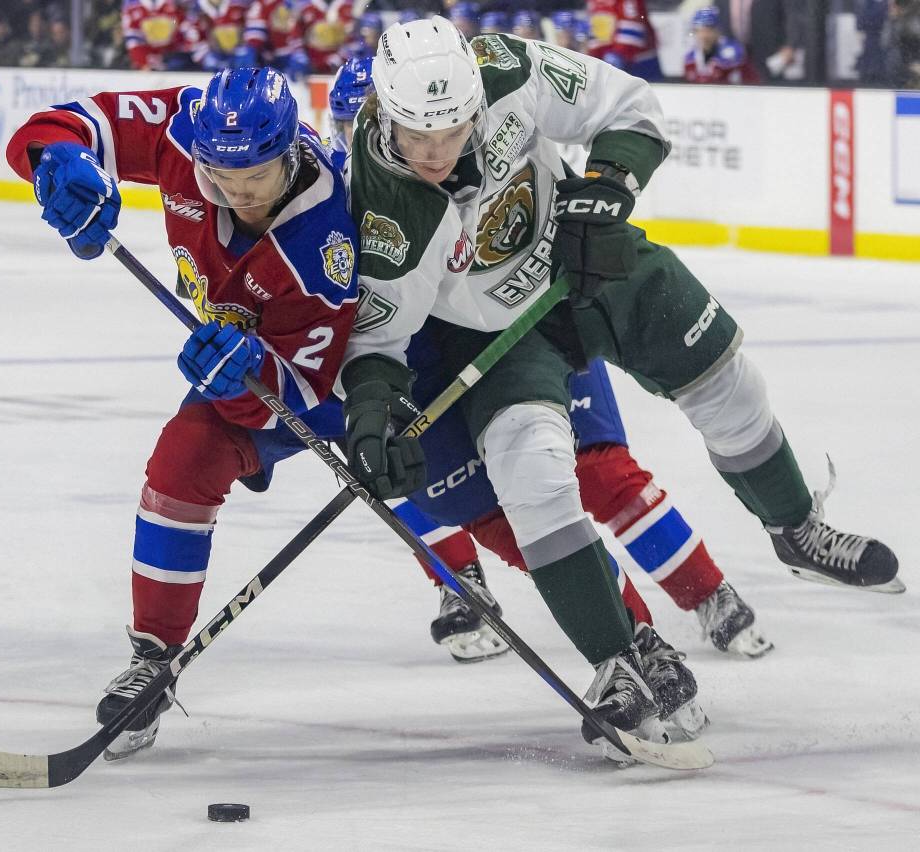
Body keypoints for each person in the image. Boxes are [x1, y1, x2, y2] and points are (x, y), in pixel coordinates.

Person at [339, 16, 901, 753]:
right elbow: (377, 339)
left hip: (586, 261)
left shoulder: (506, 67)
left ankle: (795, 526)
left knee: (727, 377)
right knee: (532, 470)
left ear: (477, 97)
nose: (436, 152)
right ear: (384, 112)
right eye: (417, 135)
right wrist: (372, 412)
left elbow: (630, 106)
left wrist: (605, 188)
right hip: (493, 335)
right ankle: (615, 664)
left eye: (452, 130)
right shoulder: (380, 206)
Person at [328, 54, 771, 663]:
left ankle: (704, 591)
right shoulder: (352, 191)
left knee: (601, 467)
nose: (429, 153)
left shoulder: (491, 125)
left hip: (539, 313)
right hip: (439, 354)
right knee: (427, 480)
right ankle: (466, 587)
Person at [5, 67, 360, 760]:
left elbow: (308, 396)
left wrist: (245, 380)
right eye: (219, 175)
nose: (235, 192)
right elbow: (53, 128)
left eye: (255, 175)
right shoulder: (184, 126)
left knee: (451, 483)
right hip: (245, 365)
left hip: (340, 385)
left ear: (291, 152)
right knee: (181, 461)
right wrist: (61, 166)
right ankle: (152, 659)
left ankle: (583, 622)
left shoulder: (326, 238)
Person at [586, 0, 662, 80]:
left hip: (640, 61)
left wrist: (617, 54)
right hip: (609, 61)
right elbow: (596, 28)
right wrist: (594, 56)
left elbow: (633, 26)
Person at [684, 6, 759, 84]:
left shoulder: (734, 52)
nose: (704, 36)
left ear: (717, 30)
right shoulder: (690, 58)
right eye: (699, 31)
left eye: (708, 30)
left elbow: (752, 82)